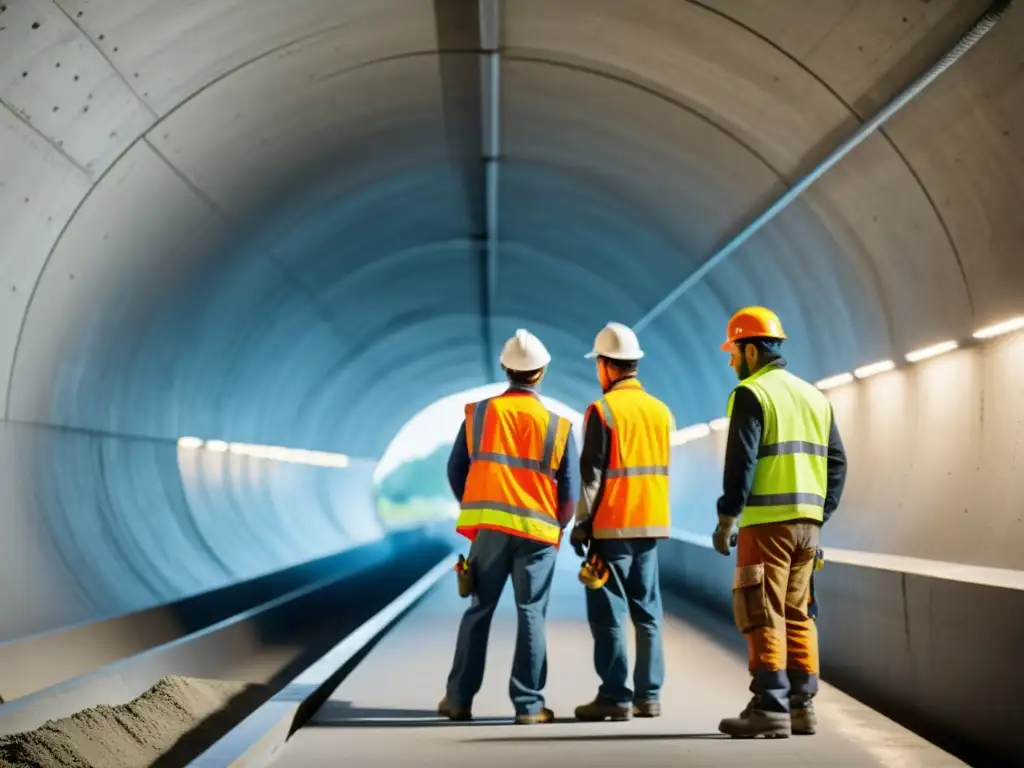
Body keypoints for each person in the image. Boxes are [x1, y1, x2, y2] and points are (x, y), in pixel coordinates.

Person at [711, 306, 848, 739]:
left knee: (761, 607)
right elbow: (838, 463)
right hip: (809, 527)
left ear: (750, 350)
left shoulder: (753, 393)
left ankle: (769, 705)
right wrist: (819, 514)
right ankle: (801, 704)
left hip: (767, 523)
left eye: (733, 352)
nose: (731, 360)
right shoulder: (814, 396)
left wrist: (727, 517)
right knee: (797, 611)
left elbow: (742, 462)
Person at [439, 329, 580, 724]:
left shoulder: (479, 415)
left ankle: (458, 700)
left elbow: (455, 468)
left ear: (506, 369)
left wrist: (476, 504)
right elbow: (569, 487)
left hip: (490, 530)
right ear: (542, 372)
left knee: (478, 609)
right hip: (538, 533)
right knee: (531, 612)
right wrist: (559, 525)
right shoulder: (559, 426)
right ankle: (529, 705)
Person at [570, 322, 675, 722]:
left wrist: (582, 524)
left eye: (598, 364)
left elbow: (592, 476)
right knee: (648, 614)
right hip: (649, 525)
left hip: (612, 526)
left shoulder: (603, 411)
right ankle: (649, 697)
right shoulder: (661, 411)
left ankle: (614, 697)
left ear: (607, 366)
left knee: (609, 614)